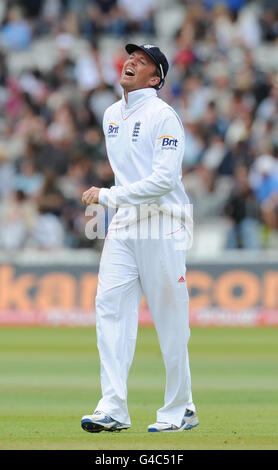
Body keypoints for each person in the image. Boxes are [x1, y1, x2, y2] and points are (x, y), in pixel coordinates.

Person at [81, 44, 199, 432]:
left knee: (169, 319)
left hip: (163, 221)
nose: (131, 62)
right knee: (110, 309)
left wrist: (109, 197)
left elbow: (164, 180)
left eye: (143, 61)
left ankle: (180, 409)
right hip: (125, 224)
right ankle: (113, 407)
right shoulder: (112, 114)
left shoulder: (164, 116)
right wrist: (116, 203)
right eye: (131, 57)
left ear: (156, 78)